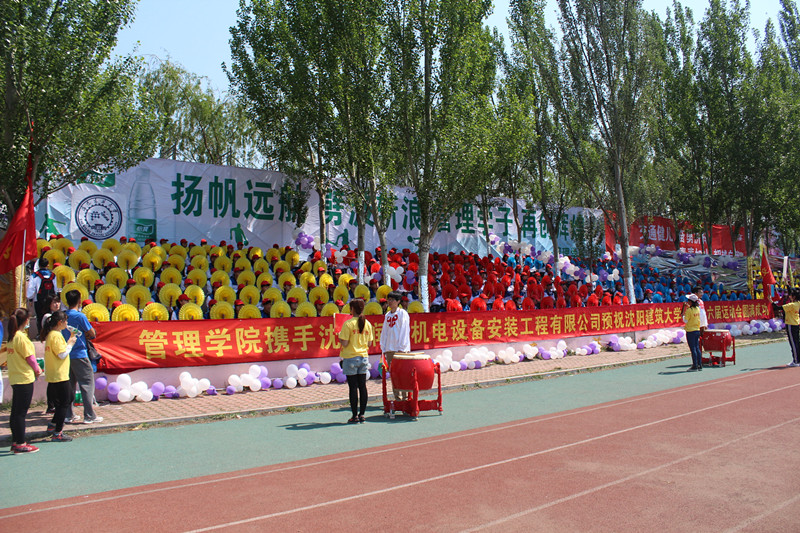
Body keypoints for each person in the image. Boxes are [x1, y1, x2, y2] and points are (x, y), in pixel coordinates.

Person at [63, 290, 103, 424]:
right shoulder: (80, 316)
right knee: (87, 384)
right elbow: (92, 333)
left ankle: (69, 414)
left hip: (66, 354)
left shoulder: (63, 316)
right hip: (79, 353)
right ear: (79, 301)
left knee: (69, 386)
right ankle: (89, 415)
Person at [7, 308, 42, 453]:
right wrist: (38, 370)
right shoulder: (21, 337)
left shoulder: (12, 337)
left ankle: (16, 441)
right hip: (24, 378)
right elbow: (30, 358)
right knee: (21, 413)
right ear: (26, 320)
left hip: (16, 377)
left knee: (16, 412)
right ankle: (21, 443)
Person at [41, 311, 77, 441]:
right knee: (65, 402)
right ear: (60, 322)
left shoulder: (53, 335)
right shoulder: (55, 335)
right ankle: (58, 432)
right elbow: (62, 354)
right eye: (65, 321)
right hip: (59, 374)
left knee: (68, 398)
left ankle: (53, 425)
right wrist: (71, 343)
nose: (67, 324)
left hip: (56, 372)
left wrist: (69, 341)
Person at [338, 298, 374, 424]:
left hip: (350, 356)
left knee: (353, 388)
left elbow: (345, 342)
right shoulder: (367, 323)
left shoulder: (348, 324)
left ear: (352, 309)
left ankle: (354, 415)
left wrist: (338, 335)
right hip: (363, 356)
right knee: (362, 386)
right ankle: (362, 414)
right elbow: (369, 343)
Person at [380, 290, 411, 401]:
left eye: (392, 300)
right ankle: (397, 398)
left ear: (398, 301)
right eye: (389, 299)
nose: (390, 301)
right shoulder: (387, 315)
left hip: (400, 349)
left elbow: (404, 330)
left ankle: (405, 397)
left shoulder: (402, 313)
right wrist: (383, 347)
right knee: (394, 375)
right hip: (389, 349)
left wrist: (402, 348)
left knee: (403, 374)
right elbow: (384, 331)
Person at [683, 294, 703, 371]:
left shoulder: (689, 310)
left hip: (690, 330)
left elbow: (685, 320)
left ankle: (695, 365)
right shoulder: (697, 309)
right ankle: (699, 364)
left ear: (691, 302)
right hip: (696, 329)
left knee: (693, 348)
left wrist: (683, 315)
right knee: (697, 348)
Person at [783, 288, 800, 367]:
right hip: (796, 323)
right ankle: (797, 359)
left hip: (790, 324)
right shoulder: (798, 303)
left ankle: (796, 361)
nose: (789, 296)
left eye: (791, 295)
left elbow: (779, 307)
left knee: (793, 343)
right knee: (796, 342)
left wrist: (771, 301)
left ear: (794, 297)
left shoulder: (792, 305)